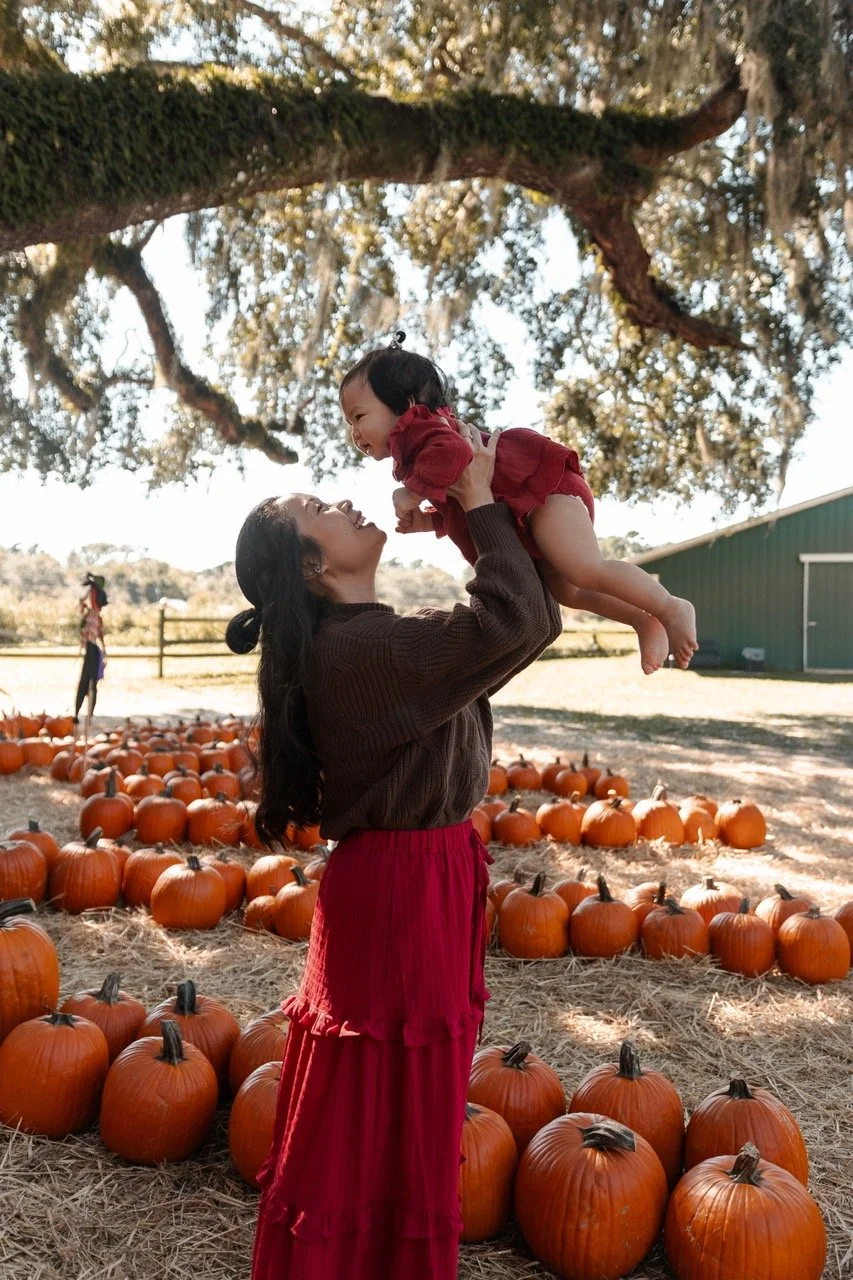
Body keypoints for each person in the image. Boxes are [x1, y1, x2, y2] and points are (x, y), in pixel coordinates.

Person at [226, 424, 561, 1280]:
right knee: (387, 1114)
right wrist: (479, 498)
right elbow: (519, 617)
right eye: (317, 508)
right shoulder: (366, 652)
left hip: (424, 873)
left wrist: (461, 517)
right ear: (309, 566)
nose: (341, 499)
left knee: (398, 1110)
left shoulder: (372, 638)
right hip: (402, 888)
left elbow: (521, 615)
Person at [340, 331, 698, 674]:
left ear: (406, 405)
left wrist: (411, 493)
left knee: (585, 568)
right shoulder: (417, 449)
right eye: (348, 423)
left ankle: (670, 606)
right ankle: (642, 618)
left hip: (542, 493)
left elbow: (454, 456)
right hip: (527, 511)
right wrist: (427, 521)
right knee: (567, 589)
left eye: (359, 417)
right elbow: (460, 500)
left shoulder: (421, 428)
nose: (354, 433)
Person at [74, 573, 107, 733]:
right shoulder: (91, 614)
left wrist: (105, 651)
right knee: (85, 682)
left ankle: (88, 714)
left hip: (93, 650)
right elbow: (81, 606)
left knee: (90, 683)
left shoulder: (95, 615)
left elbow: (99, 634)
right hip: (90, 649)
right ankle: (79, 712)